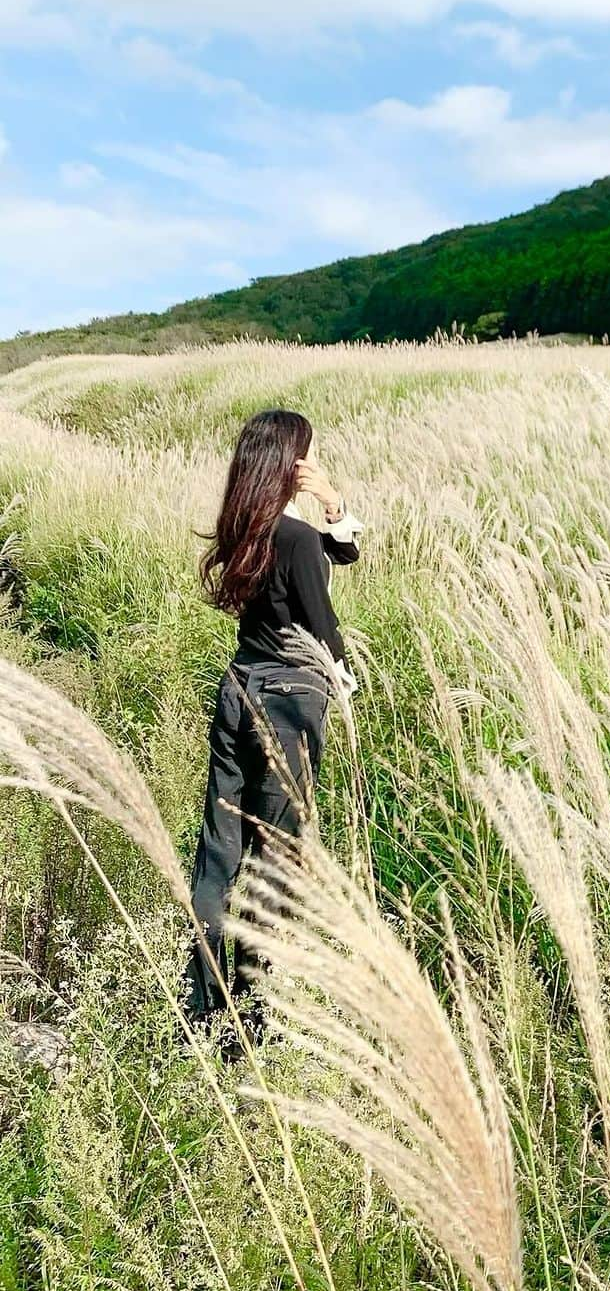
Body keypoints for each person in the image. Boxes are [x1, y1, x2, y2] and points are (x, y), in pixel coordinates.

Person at [183, 408, 361, 1032]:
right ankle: (254, 1019)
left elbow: (342, 554)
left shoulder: (244, 528)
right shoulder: (298, 540)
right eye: (305, 456)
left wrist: (335, 507)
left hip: (238, 686)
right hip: (287, 702)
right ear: (290, 464)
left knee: (218, 856)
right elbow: (323, 628)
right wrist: (346, 681)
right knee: (273, 859)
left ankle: (202, 1010)